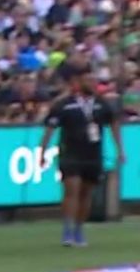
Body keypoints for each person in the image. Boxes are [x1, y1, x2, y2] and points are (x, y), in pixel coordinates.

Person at [39, 67, 125, 248]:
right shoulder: (64, 104)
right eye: (88, 80)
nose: (92, 84)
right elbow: (50, 129)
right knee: (72, 190)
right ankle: (68, 229)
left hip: (92, 154)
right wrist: (42, 152)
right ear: (77, 82)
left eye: (94, 80)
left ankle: (79, 228)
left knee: (86, 193)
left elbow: (114, 125)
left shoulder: (101, 104)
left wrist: (120, 150)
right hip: (70, 153)